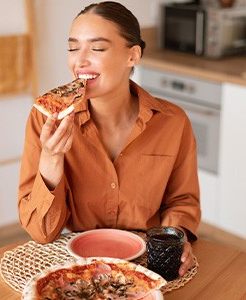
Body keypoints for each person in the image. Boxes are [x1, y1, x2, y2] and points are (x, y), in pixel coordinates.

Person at [18, 1, 201, 278]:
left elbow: (182, 200)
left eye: (97, 48)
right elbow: (42, 233)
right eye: (73, 47)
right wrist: (51, 158)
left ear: (133, 55)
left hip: (148, 265)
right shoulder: (45, 119)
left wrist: (176, 238)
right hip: (78, 264)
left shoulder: (173, 122)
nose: (79, 61)